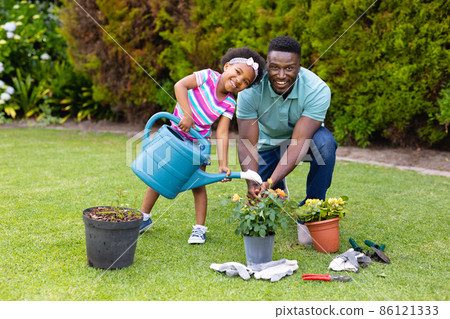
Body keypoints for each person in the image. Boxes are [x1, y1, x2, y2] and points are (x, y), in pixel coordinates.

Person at [139, 47, 266, 244]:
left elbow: (222, 133)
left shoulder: (230, 103)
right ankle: (144, 218)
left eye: (245, 82)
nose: (238, 81)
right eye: (238, 72)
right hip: (175, 137)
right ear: (227, 66)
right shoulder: (207, 76)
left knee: (198, 186)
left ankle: (199, 229)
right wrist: (187, 115)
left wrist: (223, 164)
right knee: (159, 177)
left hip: (198, 148)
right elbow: (179, 86)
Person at [236, 35, 338, 213]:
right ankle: (279, 187)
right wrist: (252, 181)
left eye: (289, 68)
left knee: (326, 144)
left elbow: (299, 142)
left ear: (299, 67)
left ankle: (311, 208)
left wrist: (270, 181)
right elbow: (247, 142)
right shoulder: (250, 88)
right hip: (267, 145)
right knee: (262, 206)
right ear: (267, 63)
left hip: (302, 143)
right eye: (274, 67)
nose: (281, 76)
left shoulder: (317, 90)